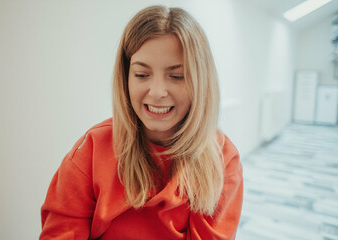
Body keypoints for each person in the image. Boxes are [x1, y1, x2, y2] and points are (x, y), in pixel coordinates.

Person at [40, 5, 243, 240]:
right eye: (141, 75)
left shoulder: (223, 160)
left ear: (201, 81)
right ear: (125, 77)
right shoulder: (91, 150)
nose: (157, 92)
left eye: (177, 76)